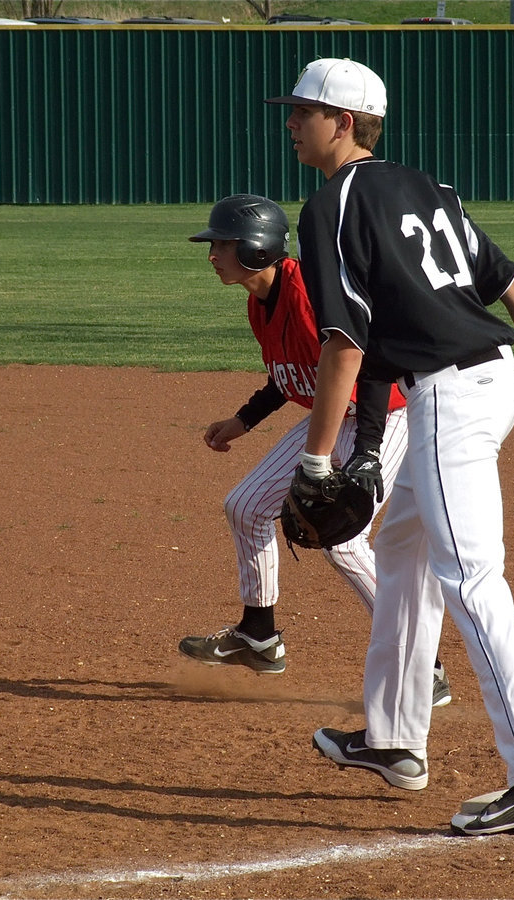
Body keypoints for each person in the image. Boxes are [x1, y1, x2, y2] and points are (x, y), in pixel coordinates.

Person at [264, 59, 514, 835]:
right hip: (490, 383)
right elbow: (513, 285)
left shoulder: (332, 202)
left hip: (451, 398)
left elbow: (344, 340)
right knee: (406, 550)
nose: (291, 123)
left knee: (471, 581)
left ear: (343, 122)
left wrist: (316, 460)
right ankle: (393, 740)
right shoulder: (427, 187)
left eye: (303, 111)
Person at [178, 193, 452, 709]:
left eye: (222, 244)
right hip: (335, 416)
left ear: (258, 248)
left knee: (344, 541)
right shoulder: (260, 302)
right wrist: (243, 420)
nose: (212, 254)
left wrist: (367, 452)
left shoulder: (313, 297)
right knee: (246, 505)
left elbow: (369, 368)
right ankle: (259, 636)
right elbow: (293, 374)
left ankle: (425, 665)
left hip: (384, 414)